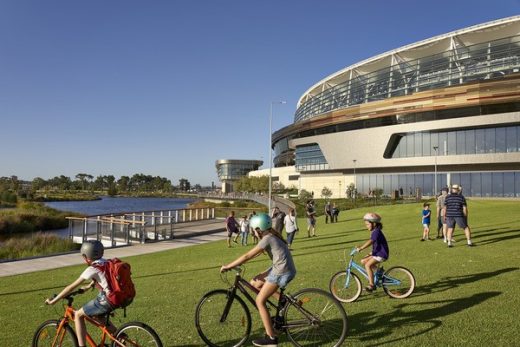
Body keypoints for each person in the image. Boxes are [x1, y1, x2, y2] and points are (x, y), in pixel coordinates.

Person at [220, 214, 296, 347]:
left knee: (259, 301)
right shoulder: (271, 236)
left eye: (253, 229)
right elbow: (255, 254)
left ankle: (271, 338)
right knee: (255, 283)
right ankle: (281, 300)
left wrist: (228, 266)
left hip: (281, 271)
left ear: (258, 228)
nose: (253, 232)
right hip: (280, 267)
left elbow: (247, 255)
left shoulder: (267, 238)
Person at [45, 240, 117, 347]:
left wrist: (53, 301)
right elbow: (103, 277)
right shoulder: (107, 262)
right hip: (118, 296)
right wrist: (88, 286)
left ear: (86, 256)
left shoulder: (91, 269)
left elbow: (71, 287)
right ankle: (120, 336)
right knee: (98, 316)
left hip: (107, 299)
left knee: (78, 315)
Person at [355, 213, 389, 292]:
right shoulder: (375, 231)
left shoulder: (376, 232)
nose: (366, 226)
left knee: (367, 265)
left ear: (373, 223)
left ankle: (371, 285)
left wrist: (361, 248)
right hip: (377, 253)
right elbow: (376, 245)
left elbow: (371, 241)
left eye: (367, 224)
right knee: (363, 261)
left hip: (381, 254)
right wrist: (370, 253)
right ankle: (379, 271)